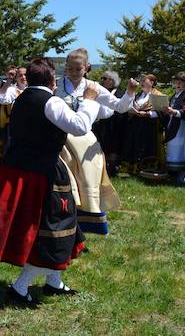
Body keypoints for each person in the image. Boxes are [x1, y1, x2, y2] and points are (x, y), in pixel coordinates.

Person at [0, 58, 136, 305]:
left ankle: (53, 281)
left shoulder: (23, 98)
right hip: (42, 173)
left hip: (21, 169)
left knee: (59, 225)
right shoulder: (51, 101)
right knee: (53, 228)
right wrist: (90, 101)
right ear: (51, 80)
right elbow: (80, 126)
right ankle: (20, 285)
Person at [54, 48, 134, 235]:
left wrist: (130, 92)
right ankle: (60, 219)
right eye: (70, 69)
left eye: (78, 69)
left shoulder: (94, 87)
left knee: (86, 181)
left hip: (84, 142)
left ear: (87, 68)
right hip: (61, 141)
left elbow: (120, 107)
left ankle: (85, 223)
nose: (74, 73)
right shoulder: (57, 85)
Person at [120, 74, 165, 173]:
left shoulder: (158, 95)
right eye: (141, 81)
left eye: (144, 81)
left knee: (145, 146)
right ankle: (130, 167)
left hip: (149, 126)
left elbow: (161, 112)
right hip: (135, 124)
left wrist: (147, 114)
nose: (141, 83)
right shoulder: (137, 95)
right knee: (132, 144)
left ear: (152, 83)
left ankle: (144, 167)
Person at [163, 72, 185, 184]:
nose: (177, 83)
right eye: (176, 81)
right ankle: (172, 174)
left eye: (180, 82)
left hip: (182, 126)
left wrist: (173, 111)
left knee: (180, 149)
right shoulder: (175, 94)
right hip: (172, 124)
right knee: (172, 148)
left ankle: (183, 175)